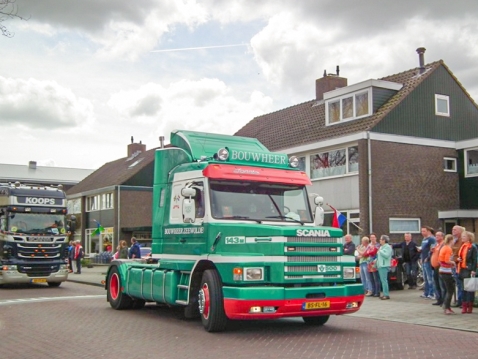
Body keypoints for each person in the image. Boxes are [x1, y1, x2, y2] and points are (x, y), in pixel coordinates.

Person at [456, 231, 477, 314]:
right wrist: (458, 259)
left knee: (470, 289)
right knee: (463, 288)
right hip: (461, 269)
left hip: (468, 269)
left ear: (469, 237)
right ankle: (464, 306)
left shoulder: (472, 247)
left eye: (464, 236)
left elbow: (474, 259)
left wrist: (473, 270)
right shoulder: (463, 246)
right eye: (462, 236)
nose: (462, 238)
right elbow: (460, 256)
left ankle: (470, 306)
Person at [439, 234, 457, 315]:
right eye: (453, 240)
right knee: (450, 290)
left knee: (447, 289)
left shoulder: (443, 247)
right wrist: (453, 262)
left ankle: (447, 306)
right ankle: (446, 307)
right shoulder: (448, 249)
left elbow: (440, 260)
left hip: (442, 270)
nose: (454, 242)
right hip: (446, 271)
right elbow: (447, 260)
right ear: (451, 240)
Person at [430, 231, 447, 306]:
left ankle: (444, 300)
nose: (436, 237)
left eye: (438, 236)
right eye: (436, 235)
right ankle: (439, 299)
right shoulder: (436, 244)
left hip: (440, 266)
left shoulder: (443, 244)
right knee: (436, 284)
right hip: (434, 267)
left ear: (442, 237)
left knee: (441, 284)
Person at [420, 226, 436, 300]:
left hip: (428, 261)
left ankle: (431, 293)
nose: (422, 233)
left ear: (428, 231)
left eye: (424, 231)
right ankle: (426, 293)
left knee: (430, 277)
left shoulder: (432, 239)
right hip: (423, 260)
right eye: (422, 231)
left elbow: (432, 249)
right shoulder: (424, 239)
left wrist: (428, 258)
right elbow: (423, 249)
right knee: (425, 278)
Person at [451, 225, 465, 307]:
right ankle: (459, 300)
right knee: (457, 283)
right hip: (452, 264)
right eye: (453, 229)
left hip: (458, 265)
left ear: (460, 231)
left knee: (460, 284)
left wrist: (456, 260)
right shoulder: (453, 240)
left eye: (455, 229)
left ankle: (461, 301)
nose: (453, 231)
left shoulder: (461, 241)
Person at [377, 235, 392, 300]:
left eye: (380, 239)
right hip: (380, 265)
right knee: (382, 280)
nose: (379, 240)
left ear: (384, 240)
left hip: (384, 265)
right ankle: (384, 294)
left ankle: (386, 294)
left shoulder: (387, 247)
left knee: (384, 281)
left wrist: (380, 251)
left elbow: (386, 255)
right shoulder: (381, 247)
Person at [366, 233, 381, 297]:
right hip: (369, 263)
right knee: (371, 278)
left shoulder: (378, 245)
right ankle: (373, 291)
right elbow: (366, 253)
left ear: (375, 238)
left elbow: (376, 253)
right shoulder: (369, 245)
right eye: (371, 237)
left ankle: (377, 292)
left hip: (375, 263)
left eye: (373, 237)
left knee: (376, 278)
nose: (372, 238)